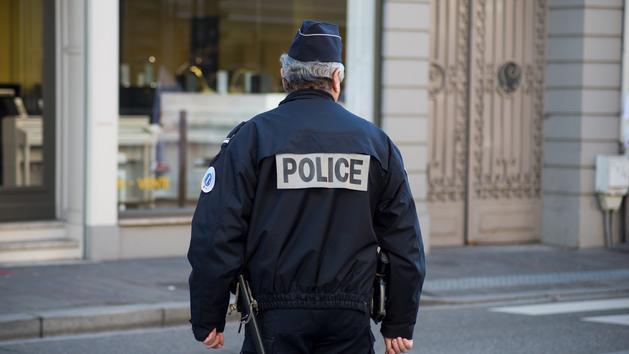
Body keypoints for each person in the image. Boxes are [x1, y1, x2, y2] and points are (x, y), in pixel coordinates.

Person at [188, 20, 426, 354]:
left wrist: (208, 314)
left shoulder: (252, 139)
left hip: (274, 319)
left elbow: (216, 234)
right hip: (349, 320)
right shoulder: (375, 144)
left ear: (286, 77)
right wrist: (399, 322)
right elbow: (405, 241)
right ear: (336, 79)